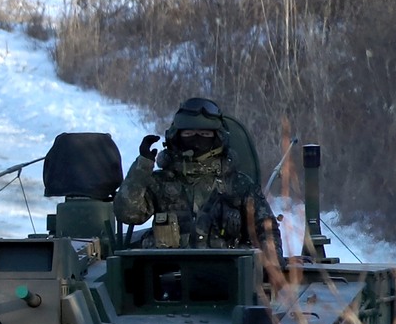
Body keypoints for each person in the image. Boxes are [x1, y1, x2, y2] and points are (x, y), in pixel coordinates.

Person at [113, 97, 282, 263]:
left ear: (218, 138)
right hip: (167, 275)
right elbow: (128, 213)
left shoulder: (238, 184)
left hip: (227, 277)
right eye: (188, 133)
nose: (196, 139)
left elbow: (266, 229)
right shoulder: (161, 182)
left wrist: (272, 268)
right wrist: (143, 166)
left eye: (204, 134)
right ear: (176, 137)